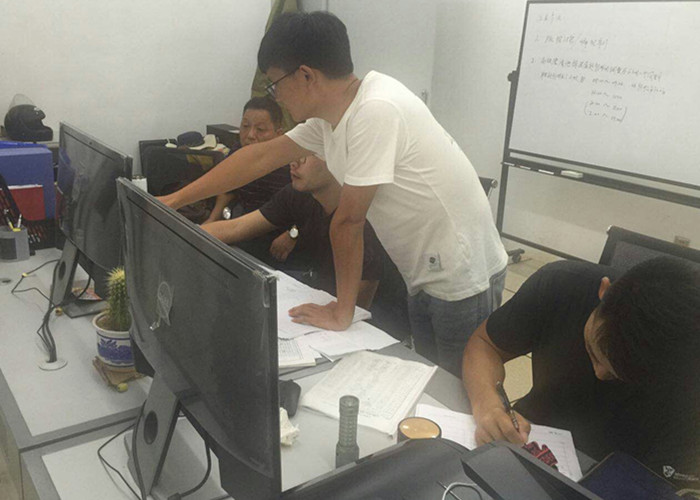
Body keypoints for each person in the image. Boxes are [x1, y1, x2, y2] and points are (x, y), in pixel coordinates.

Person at [159, 11, 508, 377]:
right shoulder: (330, 120)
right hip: (423, 269)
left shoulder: (375, 110)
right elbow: (258, 157)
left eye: (275, 85)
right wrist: (175, 200)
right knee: (435, 380)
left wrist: (343, 311)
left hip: (460, 273)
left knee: (460, 391)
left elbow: (348, 221)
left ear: (306, 75)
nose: (276, 97)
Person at [462, 257, 700, 488]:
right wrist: (488, 404)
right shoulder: (562, 285)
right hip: (532, 433)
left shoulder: (690, 378)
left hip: (627, 476)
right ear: (604, 291)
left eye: (620, 375)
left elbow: (666, 485)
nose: (599, 373)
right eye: (593, 353)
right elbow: (485, 345)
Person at [202, 155, 384, 309]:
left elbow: (360, 303)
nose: (294, 163)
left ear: (337, 160)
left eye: (306, 156)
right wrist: (189, 235)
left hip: (374, 316)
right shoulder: (298, 194)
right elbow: (236, 227)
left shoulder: (363, 216)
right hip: (321, 291)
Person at [203, 96, 290, 224]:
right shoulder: (238, 150)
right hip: (241, 216)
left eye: (260, 129)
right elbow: (227, 189)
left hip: (273, 224)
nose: (250, 135)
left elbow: (294, 211)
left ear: (279, 134)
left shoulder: (288, 165)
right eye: (245, 126)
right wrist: (212, 219)